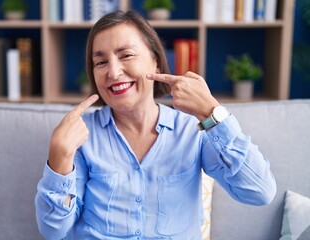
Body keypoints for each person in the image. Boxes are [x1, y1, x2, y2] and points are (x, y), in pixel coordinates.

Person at [35, 10, 276, 240]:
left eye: (126, 55)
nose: (114, 71)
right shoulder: (80, 134)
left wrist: (212, 113)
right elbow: (53, 230)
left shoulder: (195, 129)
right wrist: (59, 160)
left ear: (156, 63)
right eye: (100, 62)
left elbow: (259, 192)